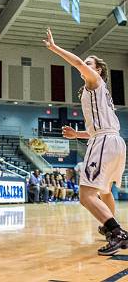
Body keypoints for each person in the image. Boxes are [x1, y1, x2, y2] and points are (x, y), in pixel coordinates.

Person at [43, 28, 127, 256]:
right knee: (106, 191)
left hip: (104, 141)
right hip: (115, 140)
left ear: (98, 69)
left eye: (91, 64)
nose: (86, 66)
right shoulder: (99, 92)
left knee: (86, 195)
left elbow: (78, 62)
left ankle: (116, 232)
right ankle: (112, 227)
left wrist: (54, 47)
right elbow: (100, 127)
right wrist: (77, 135)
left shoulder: (95, 81)